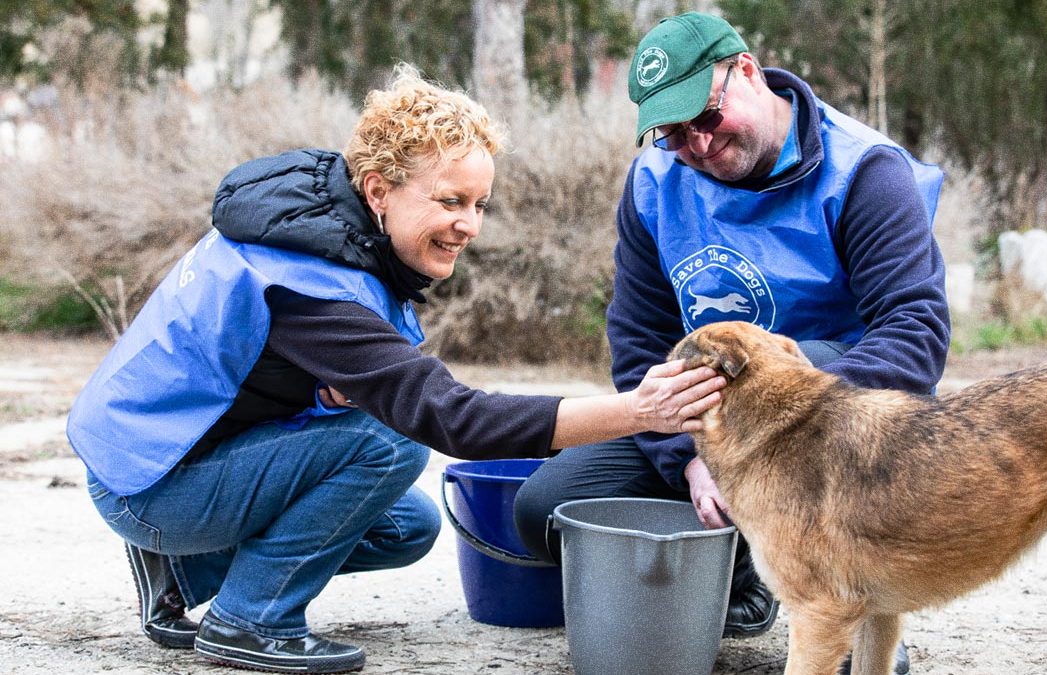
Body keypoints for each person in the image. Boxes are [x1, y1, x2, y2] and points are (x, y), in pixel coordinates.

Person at [66, 65, 727, 674]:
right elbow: (451, 417)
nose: (469, 224)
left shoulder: (319, 223)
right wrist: (636, 411)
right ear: (378, 189)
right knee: (390, 443)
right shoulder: (313, 280)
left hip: (160, 459)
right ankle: (249, 620)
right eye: (450, 200)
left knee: (406, 525)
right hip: (151, 481)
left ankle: (182, 573)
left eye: (479, 204)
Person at [513, 12, 949, 675]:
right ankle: (743, 578)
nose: (697, 144)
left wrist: (752, 447)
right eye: (673, 134)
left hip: (840, 423)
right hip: (706, 421)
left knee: (813, 372)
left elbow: (914, 333)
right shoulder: (654, 184)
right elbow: (638, 343)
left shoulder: (865, 172)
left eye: (706, 117)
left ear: (746, 70)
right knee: (545, 510)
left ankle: (851, 604)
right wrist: (688, 456)